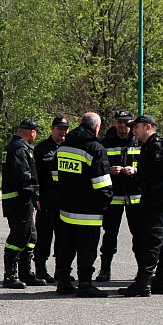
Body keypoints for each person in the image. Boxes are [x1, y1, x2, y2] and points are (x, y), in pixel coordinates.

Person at [119, 115, 163, 297]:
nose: (133, 131)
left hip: (159, 200)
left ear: (147, 127)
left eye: (135, 127)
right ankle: (161, 282)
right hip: (155, 198)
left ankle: (144, 283)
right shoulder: (148, 146)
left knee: (152, 241)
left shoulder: (157, 146)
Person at [55, 112, 113, 297]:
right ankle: (85, 284)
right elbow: (101, 182)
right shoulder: (95, 148)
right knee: (87, 248)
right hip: (88, 211)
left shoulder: (64, 145)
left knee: (66, 246)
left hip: (66, 208)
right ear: (96, 127)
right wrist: (105, 202)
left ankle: (63, 282)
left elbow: (57, 176)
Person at [97, 109, 142, 282]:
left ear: (131, 124)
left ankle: (141, 270)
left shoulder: (140, 142)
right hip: (113, 196)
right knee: (109, 235)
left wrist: (135, 170)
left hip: (135, 196)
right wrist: (109, 170)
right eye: (119, 121)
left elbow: (149, 166)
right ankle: (105, 270)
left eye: (126, 122)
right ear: (114, 123)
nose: (122, 125)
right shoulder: (106, 142)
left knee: (138, 235)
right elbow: (97, 166)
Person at [0, 119, 43, 289]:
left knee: (30, 236)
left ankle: (25, 272)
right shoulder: (19, 149)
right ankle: (10, 275)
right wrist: (33, 196)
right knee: (18, 237)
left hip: (20, 200)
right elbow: (23, 177)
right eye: (35, 132)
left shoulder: (16, 147)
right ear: (31, 131)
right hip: (19, 201)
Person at [33, 115, 70, 282]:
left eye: (65, 128)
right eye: (59, 128)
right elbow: (35, 176)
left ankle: (61, 271)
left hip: (65, 201)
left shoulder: (71, 147)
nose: (62, 131)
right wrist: (37, 197)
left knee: (64, 239)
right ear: (52, 128)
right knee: (44, 238)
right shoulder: (41, 149)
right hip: (47, 200)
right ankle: (40, 269)